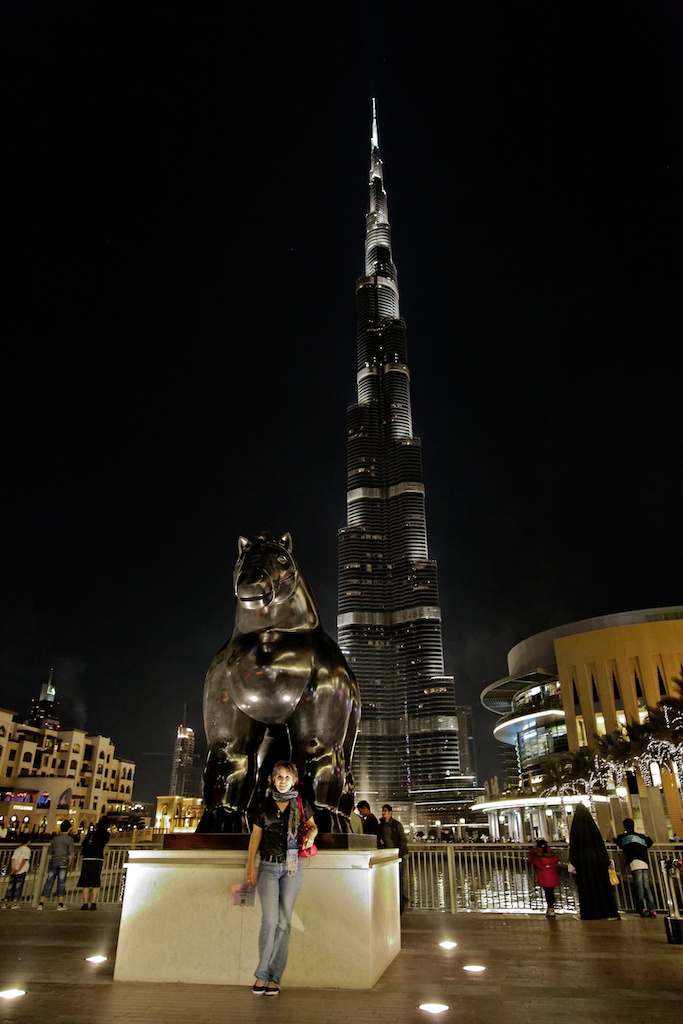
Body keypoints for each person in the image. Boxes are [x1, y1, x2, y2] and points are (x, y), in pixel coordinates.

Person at [245, 760, 318, 996]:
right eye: (279, 777)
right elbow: (255, 837)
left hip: (292, 868)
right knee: (269, 920)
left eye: (287, 777)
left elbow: (312, 826)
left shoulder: (301, 803)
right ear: (273, 780)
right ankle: (261, 975)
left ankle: (275, 979)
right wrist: (250, 867)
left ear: (294, 780)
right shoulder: (263, 805)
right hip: (267, 867)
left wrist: (313, 834)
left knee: (284, 923)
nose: (283, 781)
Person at [568, 803, 619, 921]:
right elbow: (601, 849)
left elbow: (574, 850)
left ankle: (590, 913)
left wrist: (574, 864)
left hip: (584, 868)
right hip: (598, 866)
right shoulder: (594, 832)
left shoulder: (576, 832)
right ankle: (607, 911)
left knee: (587, 889)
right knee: (602, 888)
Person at [614, 817, 656, 918]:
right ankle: (652, 909)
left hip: (635, 863)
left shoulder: (625, 837)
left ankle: (641, 909)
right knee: (646, 886)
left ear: (625, 826)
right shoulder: (641, 836)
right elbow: (649, 842)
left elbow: (618, 841)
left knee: (639, 887)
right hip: (644, 863)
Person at [38, 820, 76, 910]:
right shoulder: (69, 839)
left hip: (54, 860)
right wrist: (70, 861)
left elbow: (50, 852)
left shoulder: (55, 838)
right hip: (63, 861)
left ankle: (41, 903)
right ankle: (60, 904)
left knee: (49, 881)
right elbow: (71, 853)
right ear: (69, 829)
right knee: (61, 882)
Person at [378, 804, 409, 912]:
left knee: (398, 880)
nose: (383, 813)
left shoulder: (396, 825)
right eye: (382, 811)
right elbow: (379, 837)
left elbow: (402, 839)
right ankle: (392, 904)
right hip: (386, 856)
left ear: (390, 813)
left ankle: (400, 904)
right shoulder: (381, 824)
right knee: (389, 881)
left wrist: (400, 854)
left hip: (397, 856)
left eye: (385, 811)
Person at [77, 817, 111, 910]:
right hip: (98, 858)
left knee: (85, 881)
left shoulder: (92, 833)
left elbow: (84, 843)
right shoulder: (106, 835)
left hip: (87, 858)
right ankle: (93, 903)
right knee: (95, 881)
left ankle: (84, 904)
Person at [528, 838, 561, 917]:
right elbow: (556, 860)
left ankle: (549, 909)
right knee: (551, 892)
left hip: (543, 875)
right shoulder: (552, 855)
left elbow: (532, 860)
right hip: (552, 874)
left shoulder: (538, 856)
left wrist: (533, 851)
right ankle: (552, 909)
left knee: (547, 892)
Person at [1, 837, 32, 909]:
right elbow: (24, 860)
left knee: (10, 886)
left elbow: (13, 859)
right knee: (18, 887)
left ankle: (5, 902)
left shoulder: (17, 849)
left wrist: (13, 868)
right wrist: (19, 869)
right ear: (28, 841)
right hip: (22, 870)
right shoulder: (27, 850)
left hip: (14, 870)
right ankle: (15, 903)